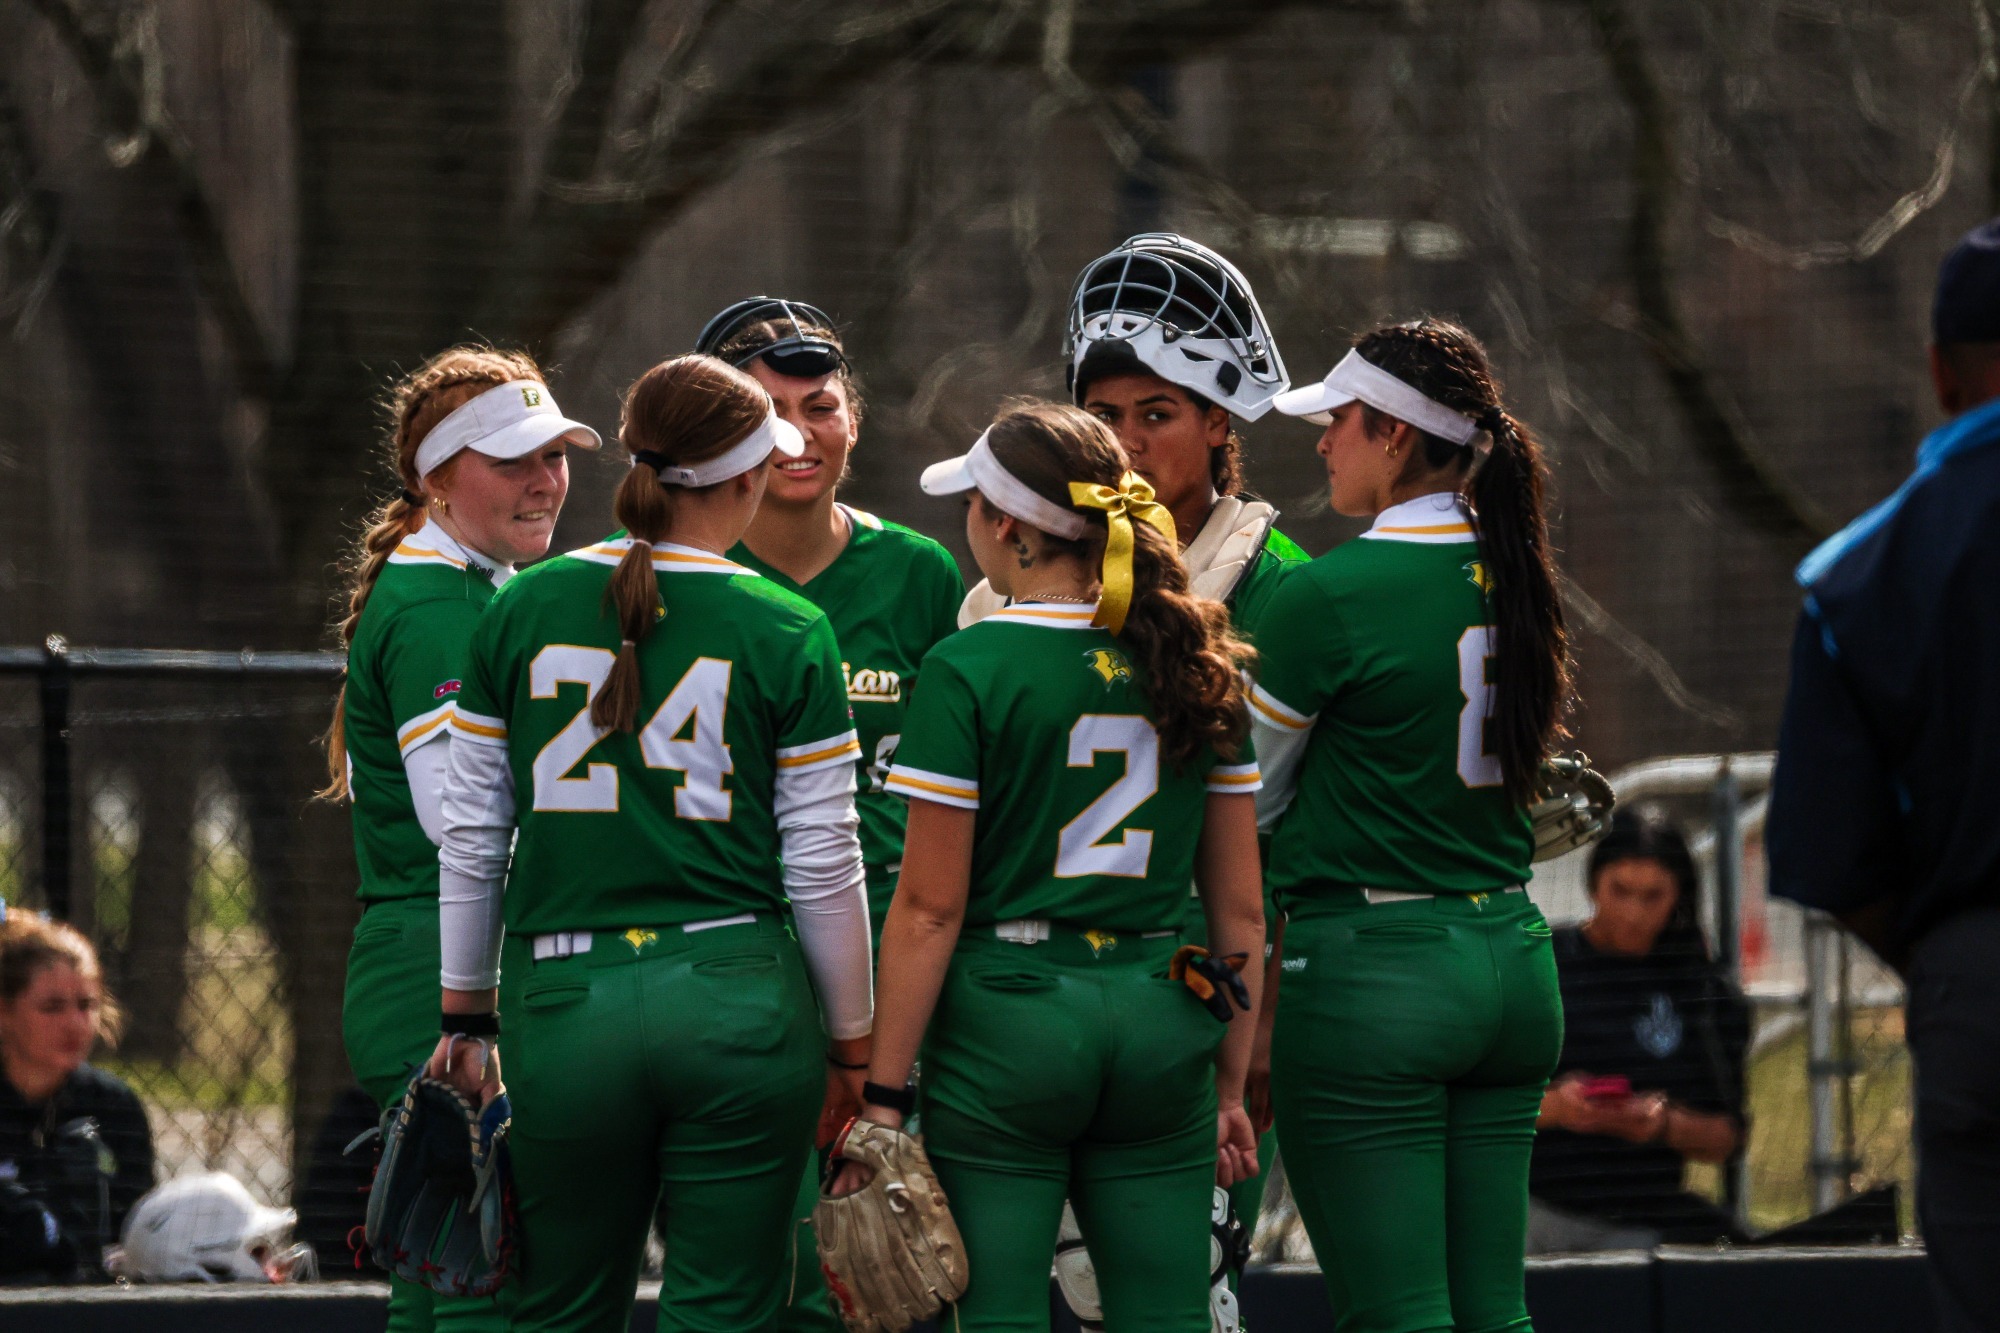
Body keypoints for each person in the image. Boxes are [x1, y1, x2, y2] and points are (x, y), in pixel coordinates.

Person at [432, 354, 874, 1333]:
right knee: (723, 1312)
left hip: (562, 1001)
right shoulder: (790, 624)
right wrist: (852, 1043)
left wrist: (466, 1015)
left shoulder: (520, 605)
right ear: (751, 476)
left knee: (553, 1310)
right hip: (737, 1003)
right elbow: (823, 861)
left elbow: (470, 838)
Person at [830, 401, 1268, 1331]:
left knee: (998, 1315)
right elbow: (1239, 913)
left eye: (974, 507)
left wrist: (883, 1097)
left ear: (1012, 527)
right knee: (1167, 1315)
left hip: (1011, 1022)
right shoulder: (1198, 657)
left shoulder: (969, 663)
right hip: (1163, 1013)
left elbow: (928, 909)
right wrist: (1228, 1085)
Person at [966, 232, 1309, 1260]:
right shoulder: (997, 593)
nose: (1125, 443)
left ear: (1218, 422)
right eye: (1102, 417)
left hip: (1192, 1008)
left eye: (1155, 414)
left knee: (1177, 1298)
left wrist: (1245, 1049)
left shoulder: (1278, 588)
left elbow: (1275, 851)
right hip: (1025, 1010)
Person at [1248, 319, 1569, 1332]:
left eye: (1336, 420)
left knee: (1398, 1315)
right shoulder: (1518, 574)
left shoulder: (1328, 593)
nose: (1320, 441)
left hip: (1373, 977)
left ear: (1391, 435)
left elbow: (1241, 799)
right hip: (1511, 958)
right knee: (1492, 1311)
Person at [691, 298, 961, 1330]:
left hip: (899, 950)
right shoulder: (679, 580)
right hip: (741, 960)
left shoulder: (919, 574)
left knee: (897, 1265)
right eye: (765, 410)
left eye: (819, 405)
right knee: (763, 1265)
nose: (798, 435)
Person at [323, 346, 597, 1329]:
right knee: (489, 1282)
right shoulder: (442, 606)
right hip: (442, 968)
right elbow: (465, 828)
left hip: (437, 960)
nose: (545, 479)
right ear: (434, 478)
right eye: (512, 457)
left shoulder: (471, 584)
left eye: (556, 453)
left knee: (443, 1279)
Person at [1769, 217, 2000, 1332]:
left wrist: (1951, 962)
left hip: (1975, 984)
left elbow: (1826, 850)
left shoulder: (1854, 575)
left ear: (1937, 367)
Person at [1528, 807, 1749, 1252]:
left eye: (1653, 896)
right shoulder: (1540, 965)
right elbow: (1474, 1102)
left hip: (1644, 1226)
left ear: (1679, 896)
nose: (1633, 912)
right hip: (1534, 1211)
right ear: (1594, 884)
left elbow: (1726, 1136)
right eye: (1621, 890)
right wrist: (1557, 1108)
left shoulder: (1700, 989)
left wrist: (1660, 1124)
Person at [0, 909, 154, 1283]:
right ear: (4, 1012)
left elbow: (136, 1236)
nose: (75, 1024)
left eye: (86, 1005)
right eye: (52, 1007)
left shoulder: (113, 1106)